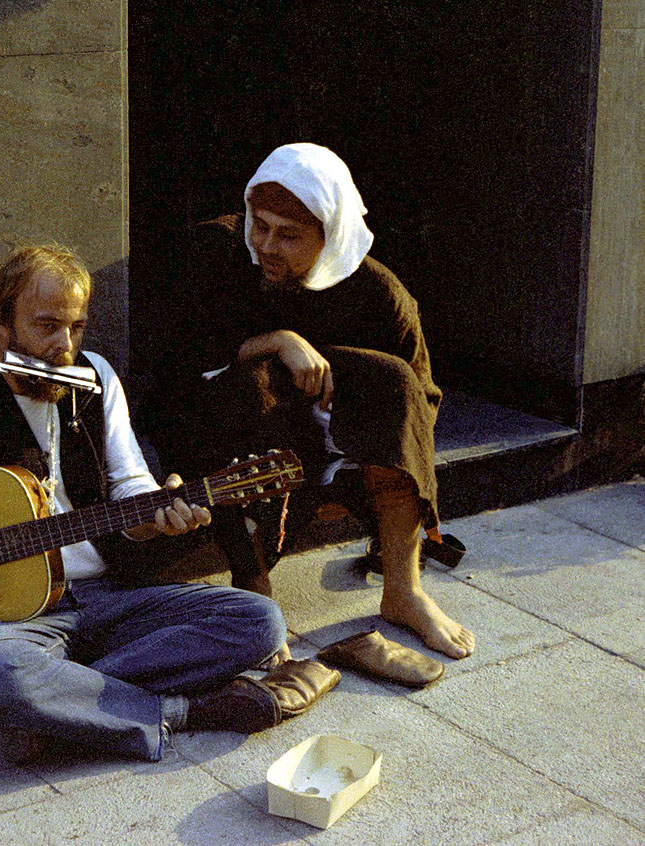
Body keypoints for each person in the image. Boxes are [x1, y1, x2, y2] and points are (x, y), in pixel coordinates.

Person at [0, 244, 339, 762]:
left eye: (75, 327)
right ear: (1, 326)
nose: (64, 347)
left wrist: (156, 518)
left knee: (258, 620)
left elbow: (130, 488)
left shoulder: (96, 380)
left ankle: (60, 705)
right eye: (46, 327)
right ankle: (176, 710)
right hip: (5, 624)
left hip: (109, 600)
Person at [143, 143, 475, 660]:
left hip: (332, 435)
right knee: (250, 385)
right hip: (228, 427)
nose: (268, 245)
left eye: (290, 235)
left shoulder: (380, 293)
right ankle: (253, 587)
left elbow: (419, 404)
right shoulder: (219, 254)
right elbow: (180, 366)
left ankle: (403, 590)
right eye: (261, 225)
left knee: (396, 380)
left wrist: (351, 449)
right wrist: (278, 341)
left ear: (329, 235)